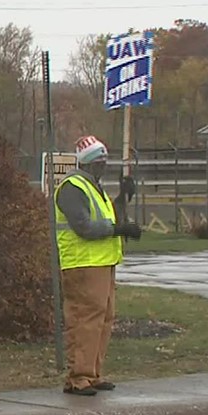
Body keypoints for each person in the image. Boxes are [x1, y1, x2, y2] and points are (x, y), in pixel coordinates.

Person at [55, 135, 140, 396]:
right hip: (82, 264)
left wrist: (123, 198)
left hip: (102, 262)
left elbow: (108, 217)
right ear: (88, 163)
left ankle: (92, 373)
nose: (104, 167)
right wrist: (119, 229)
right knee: (84, 321)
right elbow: (85, 227)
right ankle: (78, 376)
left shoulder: (93, 187)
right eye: (100, 162)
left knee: (103, 320)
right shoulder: (72, 188)